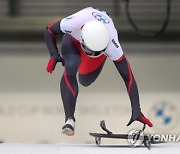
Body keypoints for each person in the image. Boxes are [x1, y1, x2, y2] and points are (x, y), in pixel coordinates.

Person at [44, 7, 153, 136]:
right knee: (71, 65)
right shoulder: (73, 23)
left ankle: (96, 54)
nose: (93, 54)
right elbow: (49, 29)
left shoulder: (112, 44)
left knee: (85, 80)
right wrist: (53, 54)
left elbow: (128, 77)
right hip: (74, 40)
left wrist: (136, 109)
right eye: (91, 52)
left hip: (100, 44)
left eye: (98, 52)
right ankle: (69, 120)